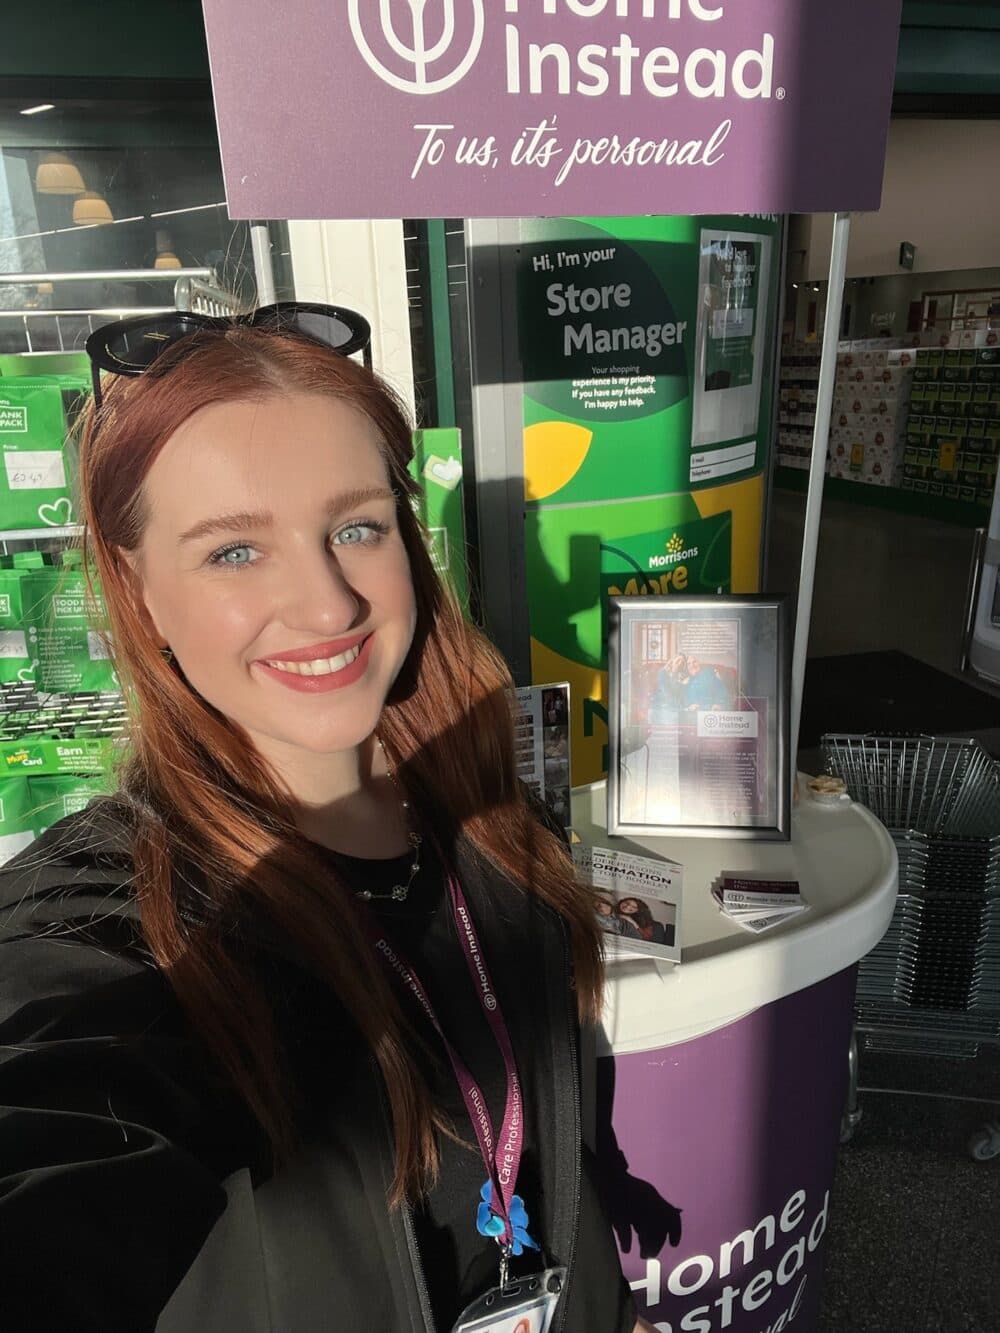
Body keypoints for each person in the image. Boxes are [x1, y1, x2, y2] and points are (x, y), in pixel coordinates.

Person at [0, 307, 653, 1332]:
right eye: (231, 553)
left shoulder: (489, 816)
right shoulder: (115, 918)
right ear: (136, 589)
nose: (327, 604)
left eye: (355, 528)